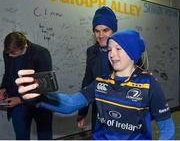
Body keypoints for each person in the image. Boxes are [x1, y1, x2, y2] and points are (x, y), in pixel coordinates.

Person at [16, 28, 175, 140]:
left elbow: (167, 130)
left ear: (132, 53)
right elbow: (70, 104)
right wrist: (41, 96)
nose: (112, 55)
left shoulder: (149, 85)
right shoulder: (101, 81)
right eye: (110, 49)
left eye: (118, 49)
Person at [0, 32, 53, 140]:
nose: (9, 55)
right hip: (18, 106)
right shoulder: (7, 53)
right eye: (8, 52)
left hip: (40, 103)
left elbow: (45, 85)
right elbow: (8, 73)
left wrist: (20, 100)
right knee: (21, 137)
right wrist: (2, 88)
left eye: (13, 53)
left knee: (44, 137)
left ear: (24, 46)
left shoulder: (41, 53)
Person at [77, 6, 118, 131]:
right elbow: (87, 81)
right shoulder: (91, 52)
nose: (101, 35)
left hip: (121, 109)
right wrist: (82, 112)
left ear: (114, 31)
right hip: (98, 109)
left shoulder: (126, 51)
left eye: (106, 30)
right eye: (97, 31)